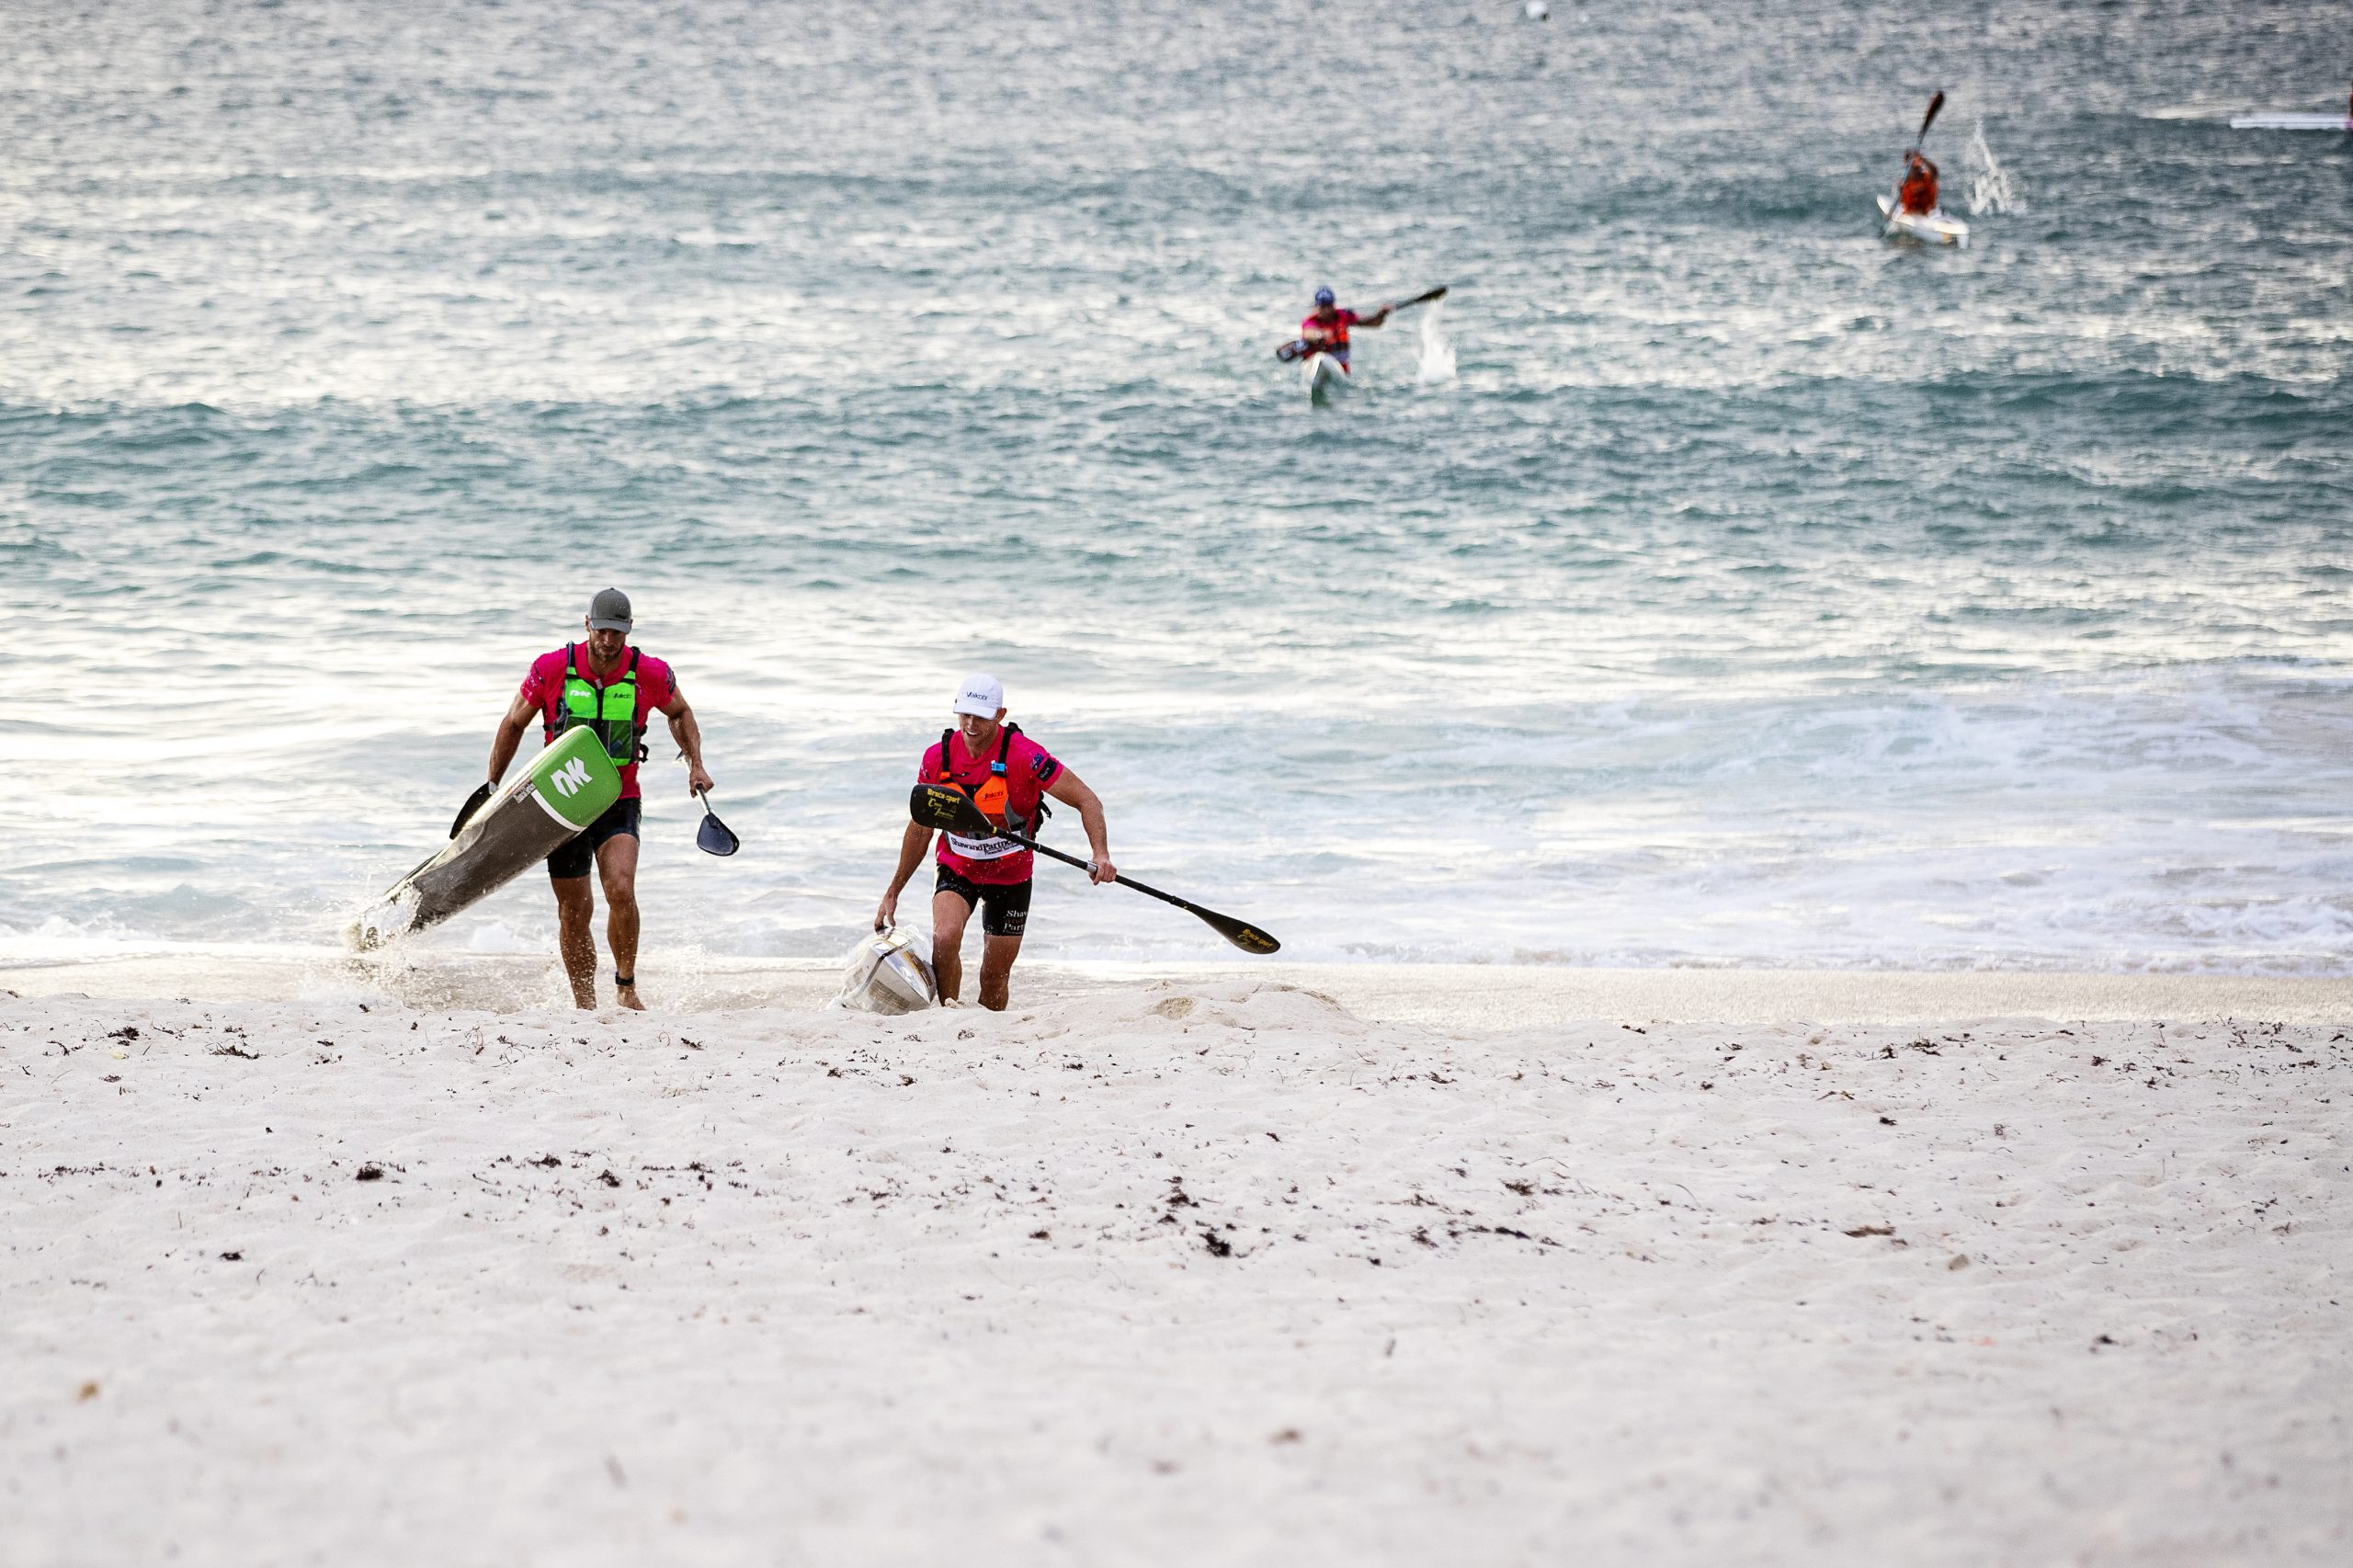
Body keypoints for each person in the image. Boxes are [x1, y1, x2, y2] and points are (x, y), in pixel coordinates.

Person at [486, 588, 712, 1011]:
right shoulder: (551, 668)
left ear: (630, 630)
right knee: (574, 910)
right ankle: (585, 1005)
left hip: (618, 798)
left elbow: (680, 712)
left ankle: (625, 986)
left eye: (618, 633)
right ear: (587, 624)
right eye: (602, 631)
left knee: (621, 889)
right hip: (561, 803)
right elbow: (514, 722)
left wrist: (695, 764)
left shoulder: (650, 673)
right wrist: (493, 786)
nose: (609, 641)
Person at [874, 674, 1114, 1010]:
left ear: (1000, 715)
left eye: (981, 717)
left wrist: (1100, 854)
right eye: (965, 715)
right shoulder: (937, 758)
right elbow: (921, 829)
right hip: (958, 867)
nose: (970, 725)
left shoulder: (1026, 757)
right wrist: (893, 891)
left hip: (1011, 874)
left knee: (994, 976)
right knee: (944, 938)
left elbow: (1087, 799)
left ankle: (989, 1027)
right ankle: (949, 1016)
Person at [1299, 286, 1394, 373]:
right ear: (1316, 307)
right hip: (1314, 367)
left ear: (1333, 304)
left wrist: (1380, 315)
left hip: (1341, 369)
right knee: (1320, 358)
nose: (1327, 310)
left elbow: (1374, 324)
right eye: (1323, 307)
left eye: (1329, 306)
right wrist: (1320, 335)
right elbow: (1308, 333)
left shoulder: (1343, 316)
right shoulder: (1310, 321)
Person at [1896, 149, 1940, 216]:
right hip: (1911, 209)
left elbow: (1935, 172)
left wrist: (1923, 159)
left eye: (1917, 158)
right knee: (1904, 186)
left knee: (1932, 181)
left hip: (1925, 209)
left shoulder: (1925, 175)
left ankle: (1927, 210)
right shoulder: (1905, 178)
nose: (1917, 160)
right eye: (1914, 158)